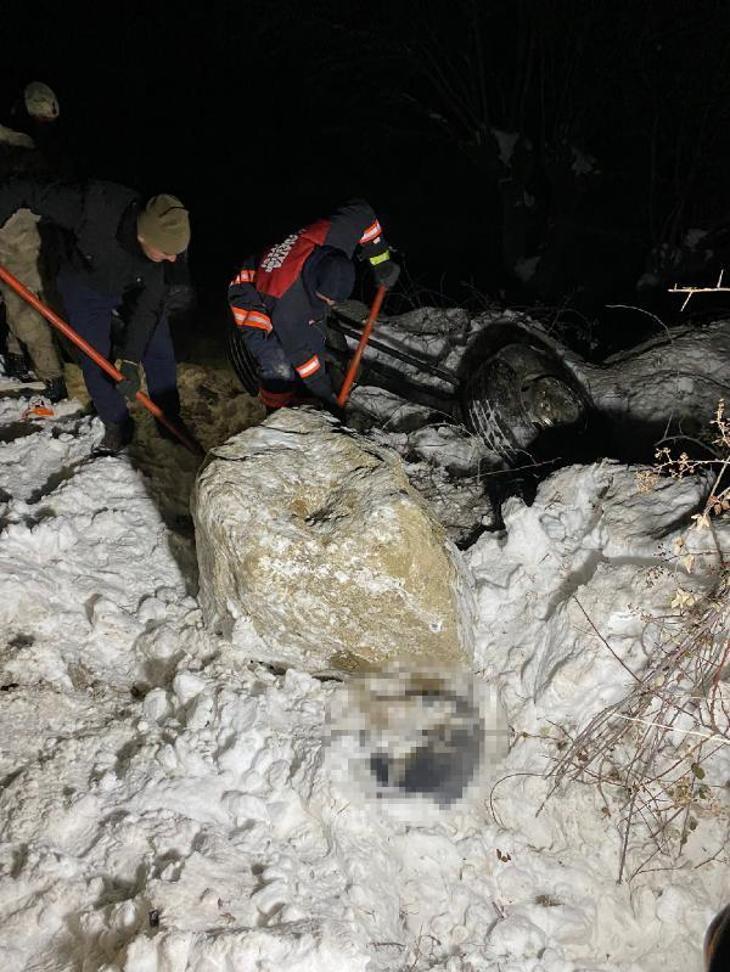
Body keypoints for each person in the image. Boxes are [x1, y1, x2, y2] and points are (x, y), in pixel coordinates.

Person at [0, 178, 191, 452]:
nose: (174, 259)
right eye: (166, 253)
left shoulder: (173, 241)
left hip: (136, 287)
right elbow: (25, 189)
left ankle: (168, 417)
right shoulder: (94, 208)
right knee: (94, 357)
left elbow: (149, 308)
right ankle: (117, 423)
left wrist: (129, 359)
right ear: (143, 236)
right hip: (87, 284)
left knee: (158, 346)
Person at [228, 199, 399, 411]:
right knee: (279, 364)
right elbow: (306, 361)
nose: (331, 303)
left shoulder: (335, 236)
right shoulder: (289, 307)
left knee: (315, 329)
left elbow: (364, 213)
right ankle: (276, 410)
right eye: (326, 299)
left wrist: (381, 260)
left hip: (287, 274)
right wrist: (328, 400)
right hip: (249, 291)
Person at [0, 81, 67, 401]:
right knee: (23, 299)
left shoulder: (32, 147)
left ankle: (15, 355)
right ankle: (51, 374)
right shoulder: (17, 150)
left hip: (27, 227)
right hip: (14, 229)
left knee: (20, 295)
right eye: (41, 121)